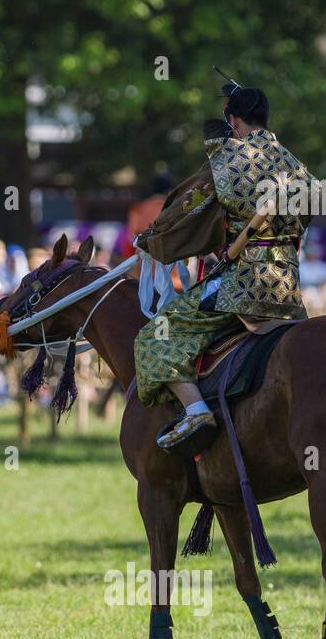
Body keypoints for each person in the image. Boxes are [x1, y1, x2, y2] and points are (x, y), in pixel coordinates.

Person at [133, 82, 315, 450]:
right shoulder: (296, 165)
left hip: (241, 286)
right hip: (289, 289)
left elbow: (186, 212)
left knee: (153, 336)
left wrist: (152, 240)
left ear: (233, 120)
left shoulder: (227, 163)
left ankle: (196, 410)